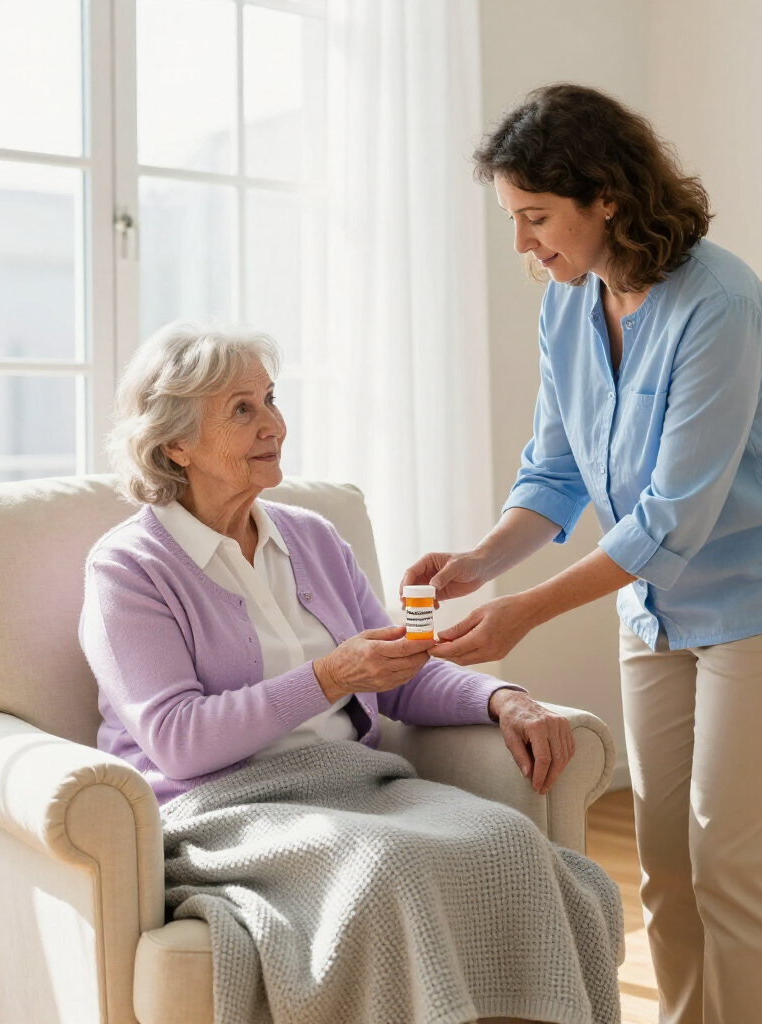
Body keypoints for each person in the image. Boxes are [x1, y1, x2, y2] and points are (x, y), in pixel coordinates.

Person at [404, 85, 762, 1024]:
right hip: (654, 608)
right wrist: (480, 564)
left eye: (536, 218)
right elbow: (556, 470)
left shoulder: (718, 304)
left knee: (733, 859)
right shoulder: (569, 307)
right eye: (513, 220)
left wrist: (523, 612)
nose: (524, 245)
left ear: (604, 196)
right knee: (665, 863)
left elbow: (670, 519)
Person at [79, 320, 622, 1024]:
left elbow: (396, 676)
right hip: (219, 805)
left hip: (352, 784)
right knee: (386, 868)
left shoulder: (311, 538)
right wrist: (330, 676)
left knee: (510, 842)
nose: (273, 423)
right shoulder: (129, 568)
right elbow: (179, 741)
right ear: (174, 442)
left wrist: (502, 700)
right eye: (241, 409)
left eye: (270, 398)